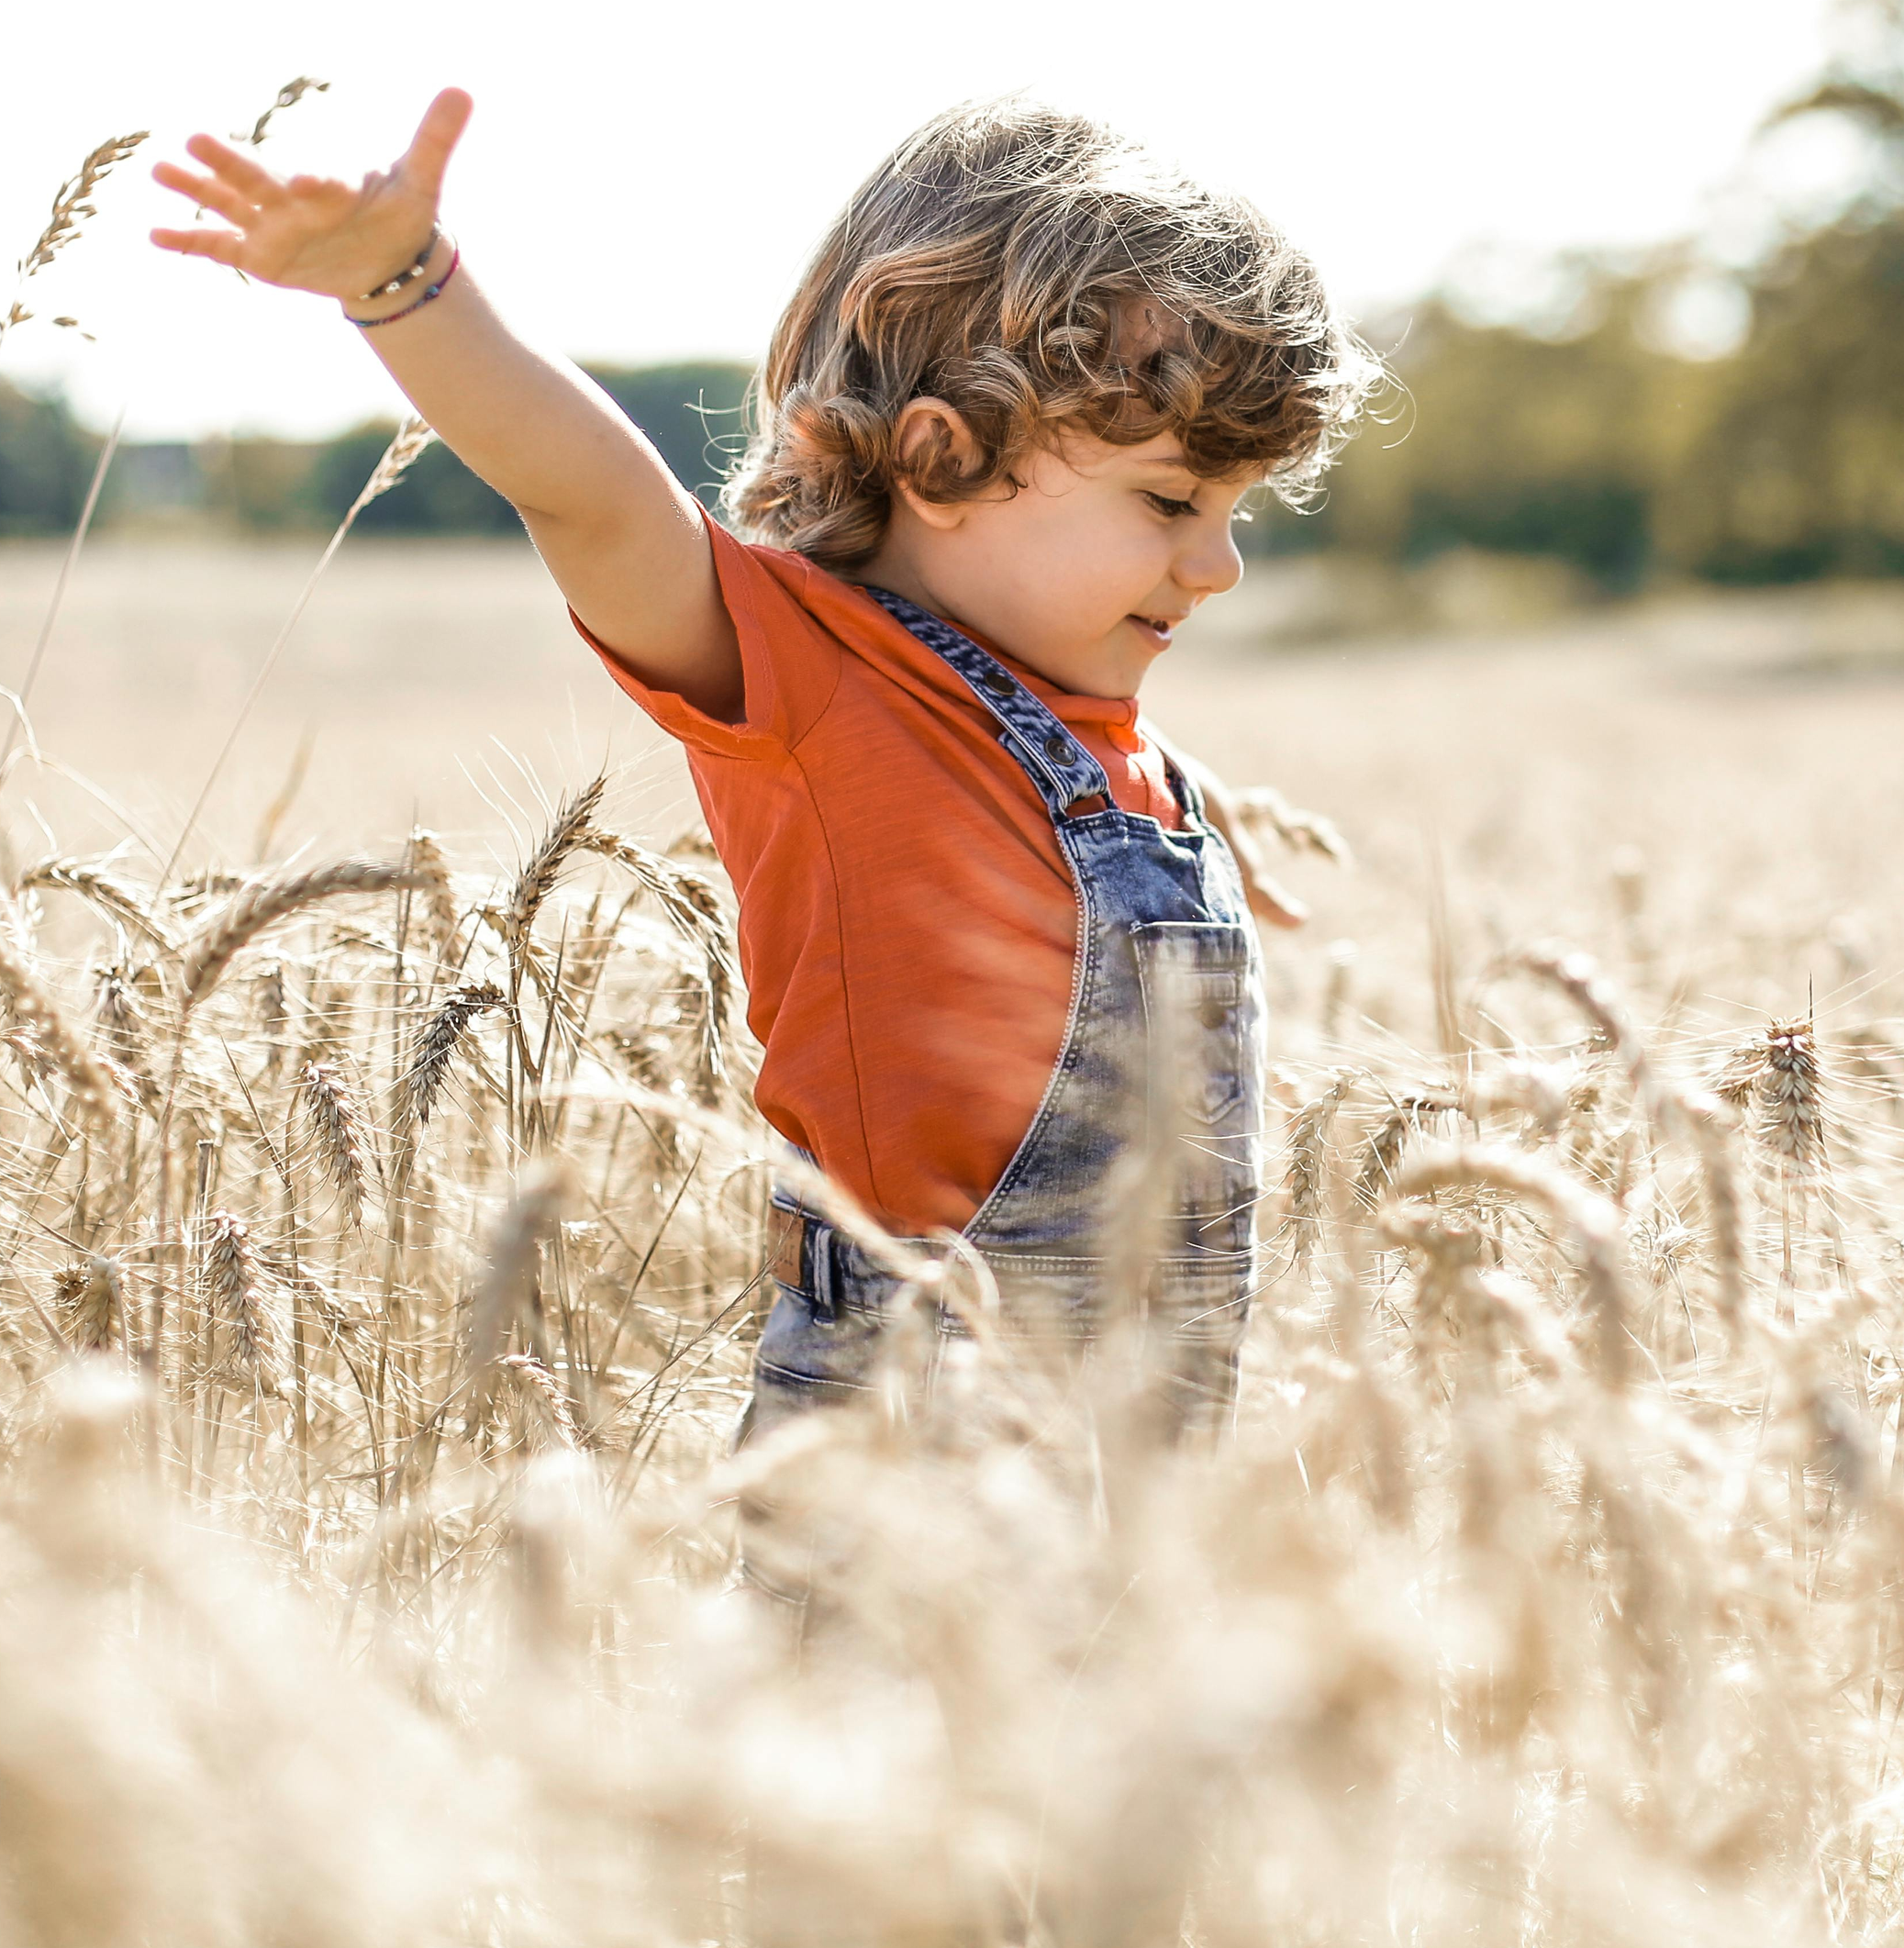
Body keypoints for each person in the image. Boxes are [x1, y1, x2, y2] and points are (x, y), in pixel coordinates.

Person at [150, 91, 1375, 1473]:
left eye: (1235, 510)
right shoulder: (815, 681)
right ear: (942, 456)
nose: (1219, 566)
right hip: (911, 1427)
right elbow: (593, 497)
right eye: (1169, 502)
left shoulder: (1096, 729)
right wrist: (407, 285)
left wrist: (1191, 826)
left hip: (1147, 1442)